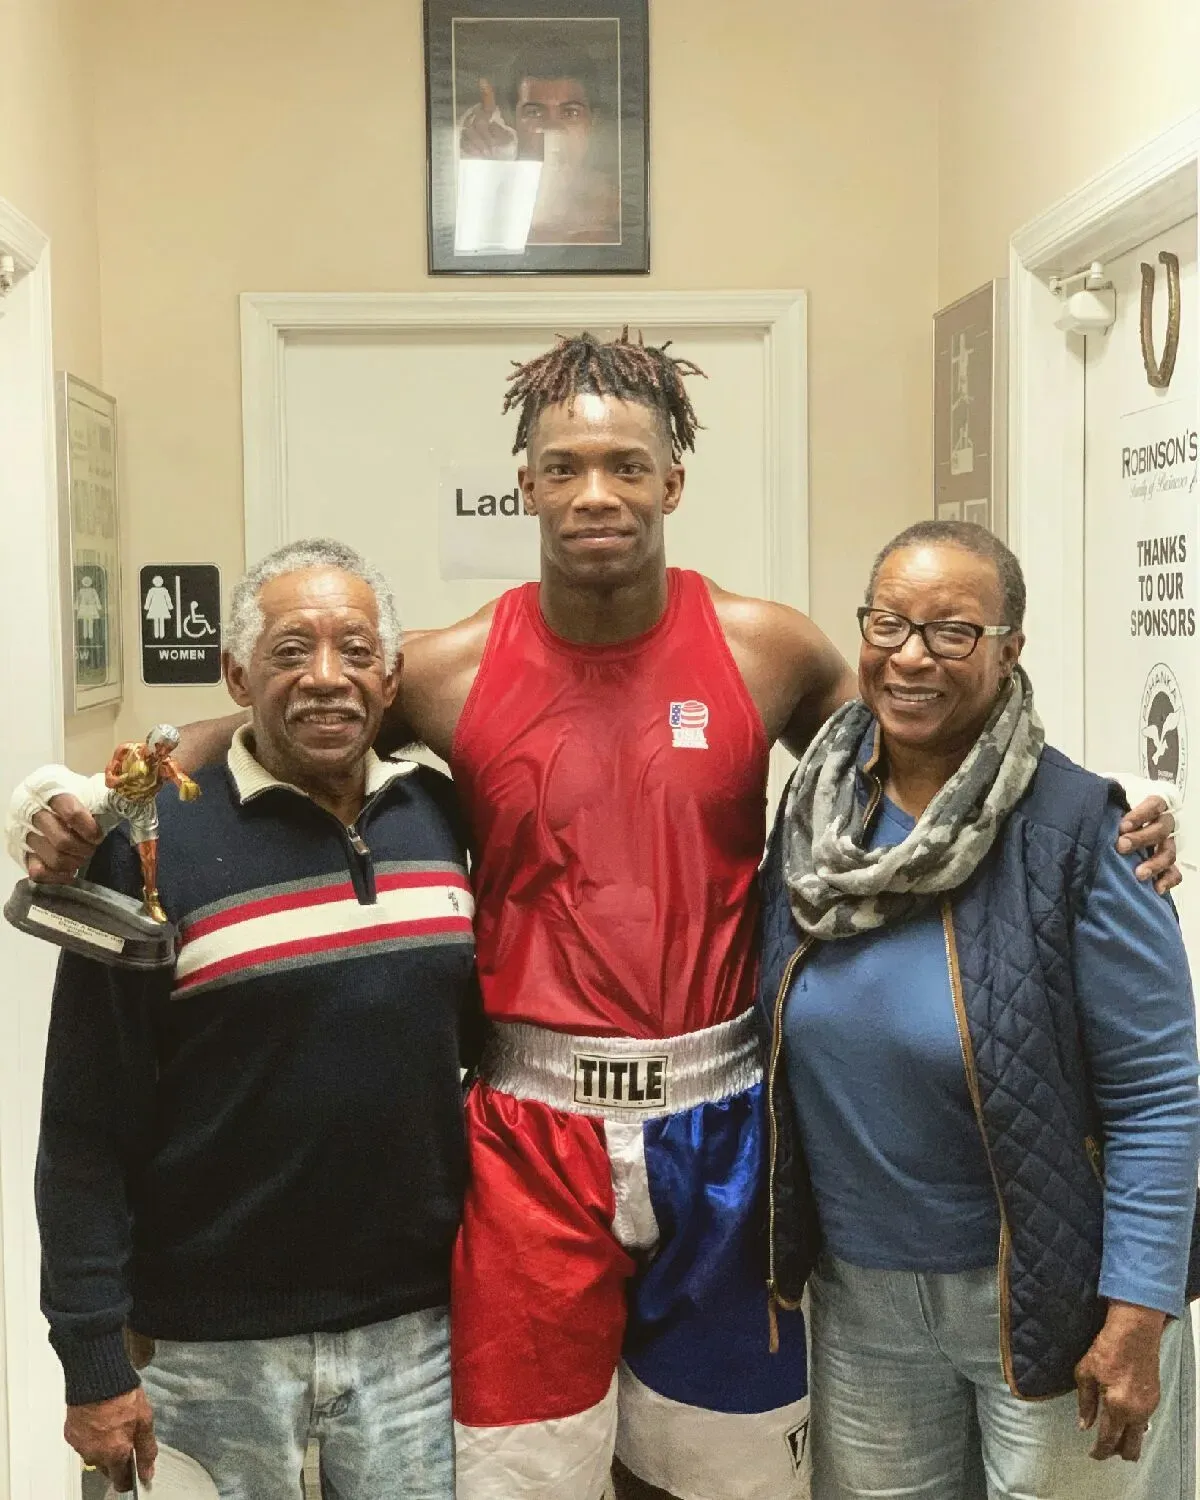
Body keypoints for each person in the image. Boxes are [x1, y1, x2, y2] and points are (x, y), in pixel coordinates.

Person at [10, 335, 1179, 1500]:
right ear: (526, 485)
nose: (595, 493)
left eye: (626, 465)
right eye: (565, 467)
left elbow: (923, 735)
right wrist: (86, 795)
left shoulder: (764, 647)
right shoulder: (448, 668)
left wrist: (1101, 803)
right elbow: (289, 712)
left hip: (724, 1125)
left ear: (674, 481)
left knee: (726, 1482)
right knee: (528, 1479)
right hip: (531, 1135)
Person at [757, 520, 1200, 1500]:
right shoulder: (815, 822)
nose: (912, 656)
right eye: (888, 623)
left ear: (1010, 649)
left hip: (1053, 1299)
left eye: (953, 632)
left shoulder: (1081, 834)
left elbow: (1159, 1096)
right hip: (860, 1305)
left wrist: (1139, 1313)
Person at [34, 540, 477, 1498]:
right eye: (289, 651)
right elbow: (81, 1125)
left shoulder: (441, 817)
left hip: (415, 1340)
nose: (326, 677)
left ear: (391, 678)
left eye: (355, 650)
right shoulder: (149, 845)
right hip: (206, 1351)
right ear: (237, 676)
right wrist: (92, 1358)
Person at [457, 44, 620, 244]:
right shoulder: (486, 197)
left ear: (593, 122)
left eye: (570, 113)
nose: (552, 128)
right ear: (512, 121)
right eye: (534, 113)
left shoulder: (620, 209)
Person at [98, 724, 201, 922]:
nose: (161, 752)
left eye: (167, 749)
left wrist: (187, 786)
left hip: (144, 808)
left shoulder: (165, 764)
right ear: (149, 740)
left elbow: (179, 776)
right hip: (117, 799)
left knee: (150, 856)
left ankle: (151, 899)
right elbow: (109, 781)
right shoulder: (126, 751)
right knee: (89, 829)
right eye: (159, 746)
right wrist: (128, 777)